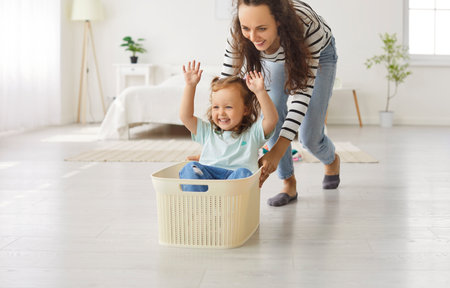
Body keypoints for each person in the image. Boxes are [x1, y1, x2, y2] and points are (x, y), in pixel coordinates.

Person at [221, 0, 340, 206]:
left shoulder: (307, 27)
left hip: (317, 55)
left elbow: (302, 95)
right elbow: (225, 85)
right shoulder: (243, 30)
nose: (252, 37)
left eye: (262, 28)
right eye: (246, 28)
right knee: (271, 112)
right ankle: (288, 182)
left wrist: (276, 152)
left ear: (279, 21)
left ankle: (331, 160)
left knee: (309, 138)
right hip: (275, 55)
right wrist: (217, 142)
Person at [179, 60, 278, 191]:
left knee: (244, 174)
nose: (221, 113)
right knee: (189, 168)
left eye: (228, 107)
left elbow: (271, 119)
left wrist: (260, 92)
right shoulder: (208, 131)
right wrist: (190, 86)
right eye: (216, 107)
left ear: (245, 109)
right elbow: (186, 117)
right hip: (208, 180)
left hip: (235, 180)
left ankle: (229, 208)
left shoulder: (252, 133)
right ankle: (199, 207)